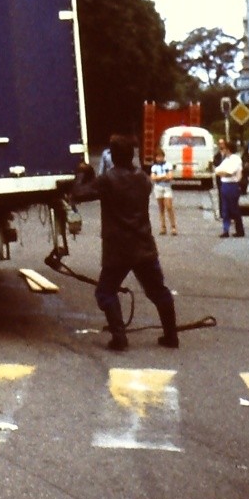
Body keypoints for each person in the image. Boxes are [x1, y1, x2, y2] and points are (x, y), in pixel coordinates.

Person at [72, 133, 179, 351]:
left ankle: (119, 338)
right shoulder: (143, 179)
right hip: (144, 245)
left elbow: (79, 194)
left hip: (118, 249)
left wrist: (82, 174)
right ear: (132, 155)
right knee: (158, 291)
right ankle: (171, 335)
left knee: (105, 292)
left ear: (112, 155)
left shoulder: (108, 179)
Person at [214, 139, 245, 237]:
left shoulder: (236, 159)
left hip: (232, 185)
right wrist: (223, 173)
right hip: (225, 185)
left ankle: (240, 230)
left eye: (225, 148)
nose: (223, 150)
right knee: (225, 208)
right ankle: (225, 230)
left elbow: (230, 172)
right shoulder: (226, 160)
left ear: (228, 149)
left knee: (234, 208)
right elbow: (217, 170)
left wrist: (223, 173)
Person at [150, 148, 177, 235]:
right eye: (158, 157)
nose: (159, 159)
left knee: (169, 207)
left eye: (161, 157)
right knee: (161, 208)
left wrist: (159, 177)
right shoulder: (154, 167)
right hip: (158, 188)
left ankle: (173, 226)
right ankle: (163, 227)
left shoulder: (168, 165)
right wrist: (163, 177)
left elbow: (170, 176)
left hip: (166, 188)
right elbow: (153, 177)